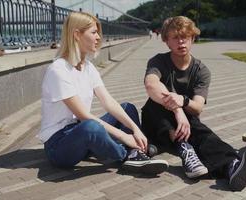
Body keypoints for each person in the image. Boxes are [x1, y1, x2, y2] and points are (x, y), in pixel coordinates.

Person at [141, 16, 246, 191]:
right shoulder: (158, 61)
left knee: (198, 128)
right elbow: (151, 84)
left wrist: (184, 101)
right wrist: (178, 108)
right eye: (175, 37)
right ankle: (187, 147)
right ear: (166, 41)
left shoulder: (201, 71)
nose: (181, 42)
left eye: (185, 37)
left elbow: (198, 107)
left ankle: (232, 165)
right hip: (156, 126)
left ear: (193, 38)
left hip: (187, 127)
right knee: (154, 103)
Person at [38, 12, 168, 175]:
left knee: (127, 108)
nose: (99, 37)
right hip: (59, 145)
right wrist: (123, 136)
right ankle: (128, 155)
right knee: (91, 127)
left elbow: (108, 102)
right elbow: (84, 115)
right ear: (77, 35)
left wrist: (135, 129)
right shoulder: (58, 70)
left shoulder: (88, 67)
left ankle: (135, 152)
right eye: (94, 32)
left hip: (81, 131)